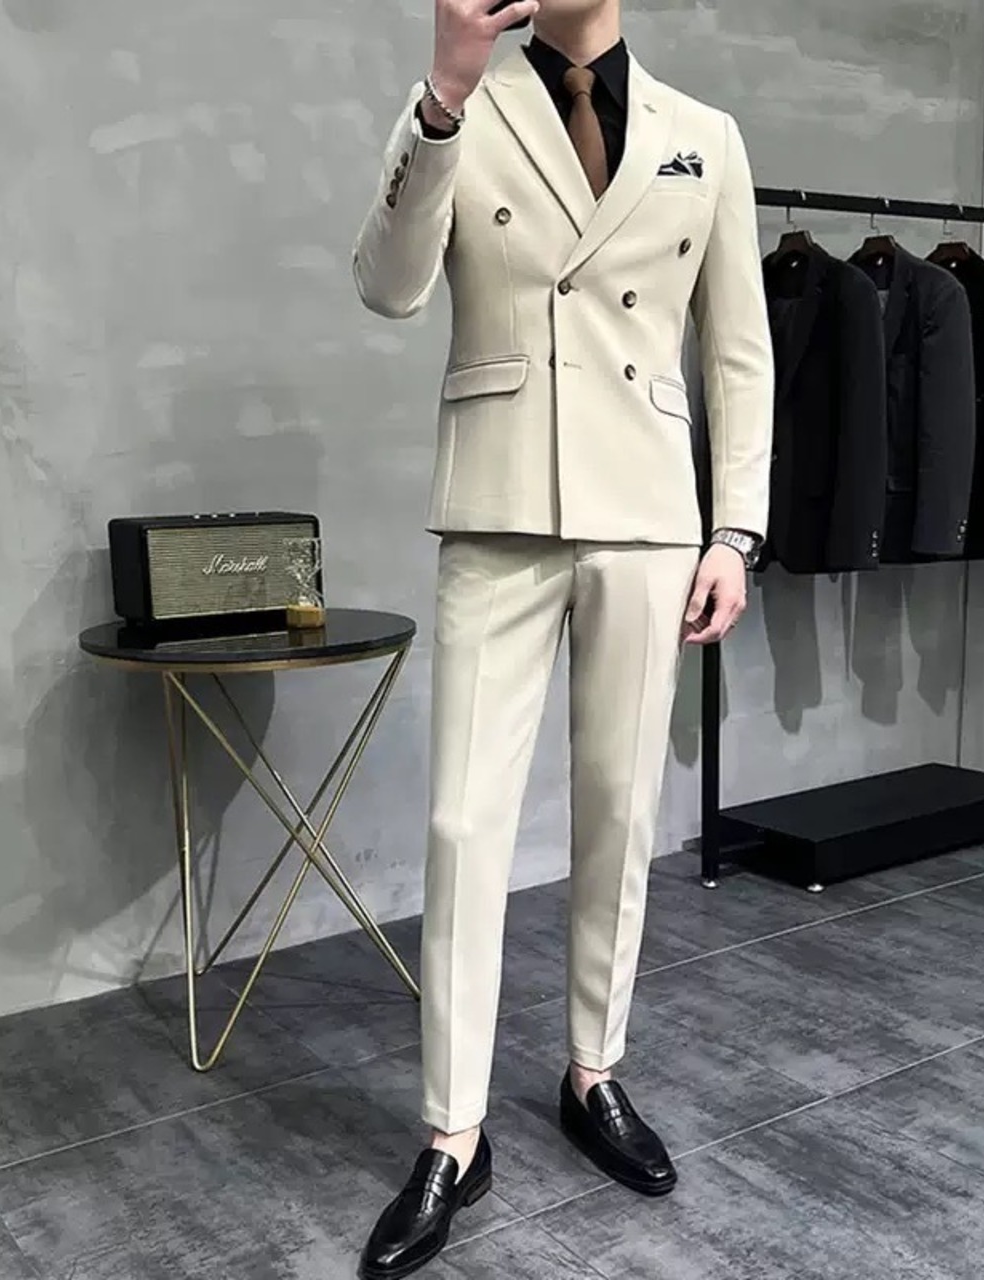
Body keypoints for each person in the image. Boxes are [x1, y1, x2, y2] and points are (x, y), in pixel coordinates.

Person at [351, 0, 772, 1273]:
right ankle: (451, 1130)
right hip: (498, 506)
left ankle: (593, 1072)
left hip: (647, 516)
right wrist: (441, 94)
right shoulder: (460, 106)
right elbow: (387, 285)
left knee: (618, 810)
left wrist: (733, 530)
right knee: (463, 825)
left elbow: (736, 353)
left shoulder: (704, 134)